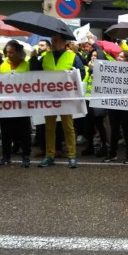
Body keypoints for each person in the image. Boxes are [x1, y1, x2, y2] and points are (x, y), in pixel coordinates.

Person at [29, 33, 83, 168]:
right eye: (52, 40)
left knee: (68, 127)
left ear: (63, 43)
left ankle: (72, 156)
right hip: (50, 97)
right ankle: (49, 155)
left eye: (56, 40)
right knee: (49, 128)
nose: (53, 43)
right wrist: (34, 60)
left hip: (66, 97)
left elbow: (82, 73)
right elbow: (35, 72)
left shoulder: (73, 56)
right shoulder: (45, 57)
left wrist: (74, 72)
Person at [0, 40, 32, 168]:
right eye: (7, 52)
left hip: (22, 104)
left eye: (11, 52)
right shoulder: (3, 65)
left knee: (24, 131)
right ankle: (6, 156)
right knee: (6, 131)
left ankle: (26, 156)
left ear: (17, 52)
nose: (8, 55)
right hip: (6, 103)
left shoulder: (26, 65)